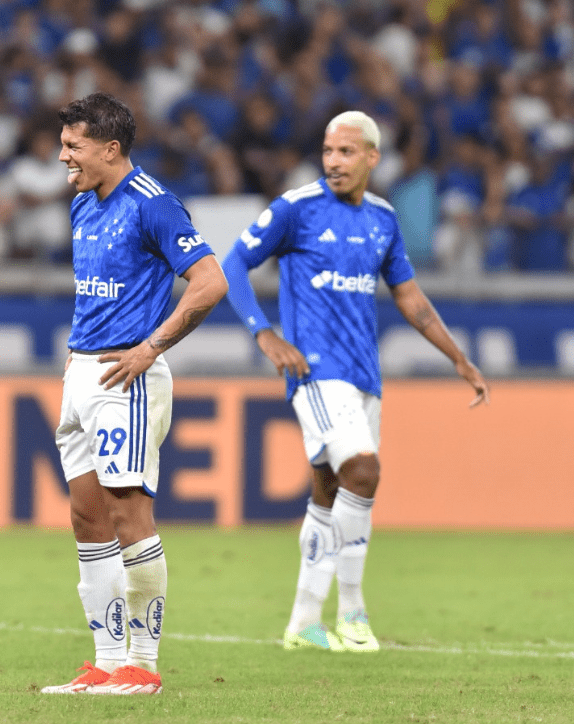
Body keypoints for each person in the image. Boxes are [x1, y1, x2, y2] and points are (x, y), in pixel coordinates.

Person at [221, 111, 489, 653]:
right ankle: (352, 611)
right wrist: (264, 334)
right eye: (327, 151)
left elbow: (409, 298)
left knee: (329, 492)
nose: (333, 162)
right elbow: (231, 263)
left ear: (372, 157)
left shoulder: (383, 220)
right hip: (316, 372)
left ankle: (303, 624)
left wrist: (457, 357)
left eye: (346, 152)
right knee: (363, 472)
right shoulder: (297, 209)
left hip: (365, 374)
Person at [42, 93, 228, 695]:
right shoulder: (82, 205)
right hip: (82, 374)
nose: (63, 155)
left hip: (130, 377)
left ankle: (142, 666)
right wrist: (77, 353)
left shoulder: (154, 205)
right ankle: (105, 661)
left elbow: (209, 282)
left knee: (127, 512)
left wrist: (152, 348)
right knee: (86, 516)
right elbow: (96, 289)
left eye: (74, 145)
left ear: (110, 148)